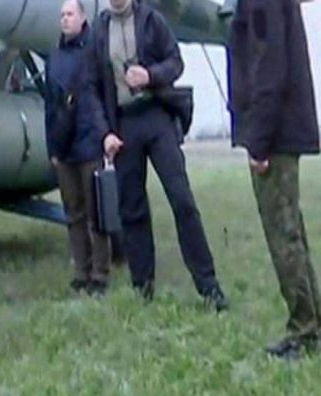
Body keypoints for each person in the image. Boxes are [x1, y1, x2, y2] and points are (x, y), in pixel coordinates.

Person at [84, 0, 229, 310]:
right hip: (124, 125)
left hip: (156, 116)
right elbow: (91, 88)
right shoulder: (98, 31)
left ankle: (208, 286)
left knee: (182, 200)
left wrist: (150, 75)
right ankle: (143, 287)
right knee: (132, 209)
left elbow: (175, 62)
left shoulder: (151, 20)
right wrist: (105, 133)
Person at [227, 0, 321, 359]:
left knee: (283, 236)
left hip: (276, 135)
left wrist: (259, 140)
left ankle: (303, 331)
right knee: (292, 232)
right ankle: (312, 322)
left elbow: (269, 66)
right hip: (281, 130)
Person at [45, 0, 111, 296]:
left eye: (70, 14)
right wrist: (52, 148)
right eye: (62, 15)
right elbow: (50, 105)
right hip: (65, 147)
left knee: (96, 212)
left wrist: (106, 135)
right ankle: (81, 272)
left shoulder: (94, 51)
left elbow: (104, 94)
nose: (65, 19)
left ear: (83, 18)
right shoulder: (55, 56)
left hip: (90, 143)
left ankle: (100, 274)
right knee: (73, 213)